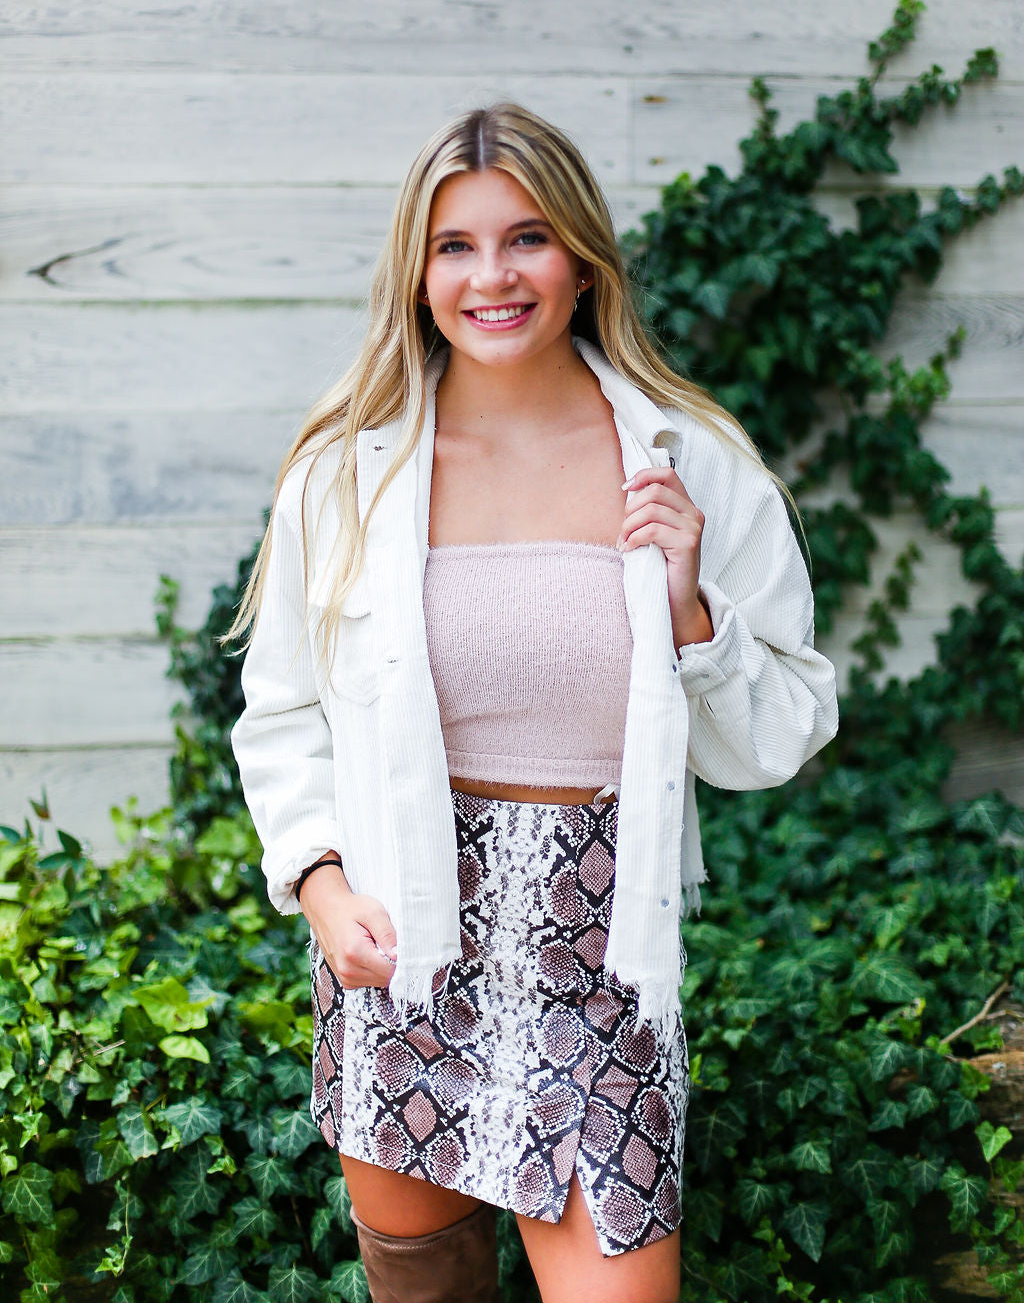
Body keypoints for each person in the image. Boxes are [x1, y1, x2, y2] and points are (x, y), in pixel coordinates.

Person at [225, 101, 839, 1303]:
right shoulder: (347, 472)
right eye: (454, 245)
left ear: (583, 261)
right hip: (404, 945)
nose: (491, 276)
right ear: (417, 271)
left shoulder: (690, 458)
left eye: (527, 239)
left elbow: (781, 736)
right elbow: (281, 711)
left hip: (601, 964)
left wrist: (690, 615)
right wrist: (321, 883)